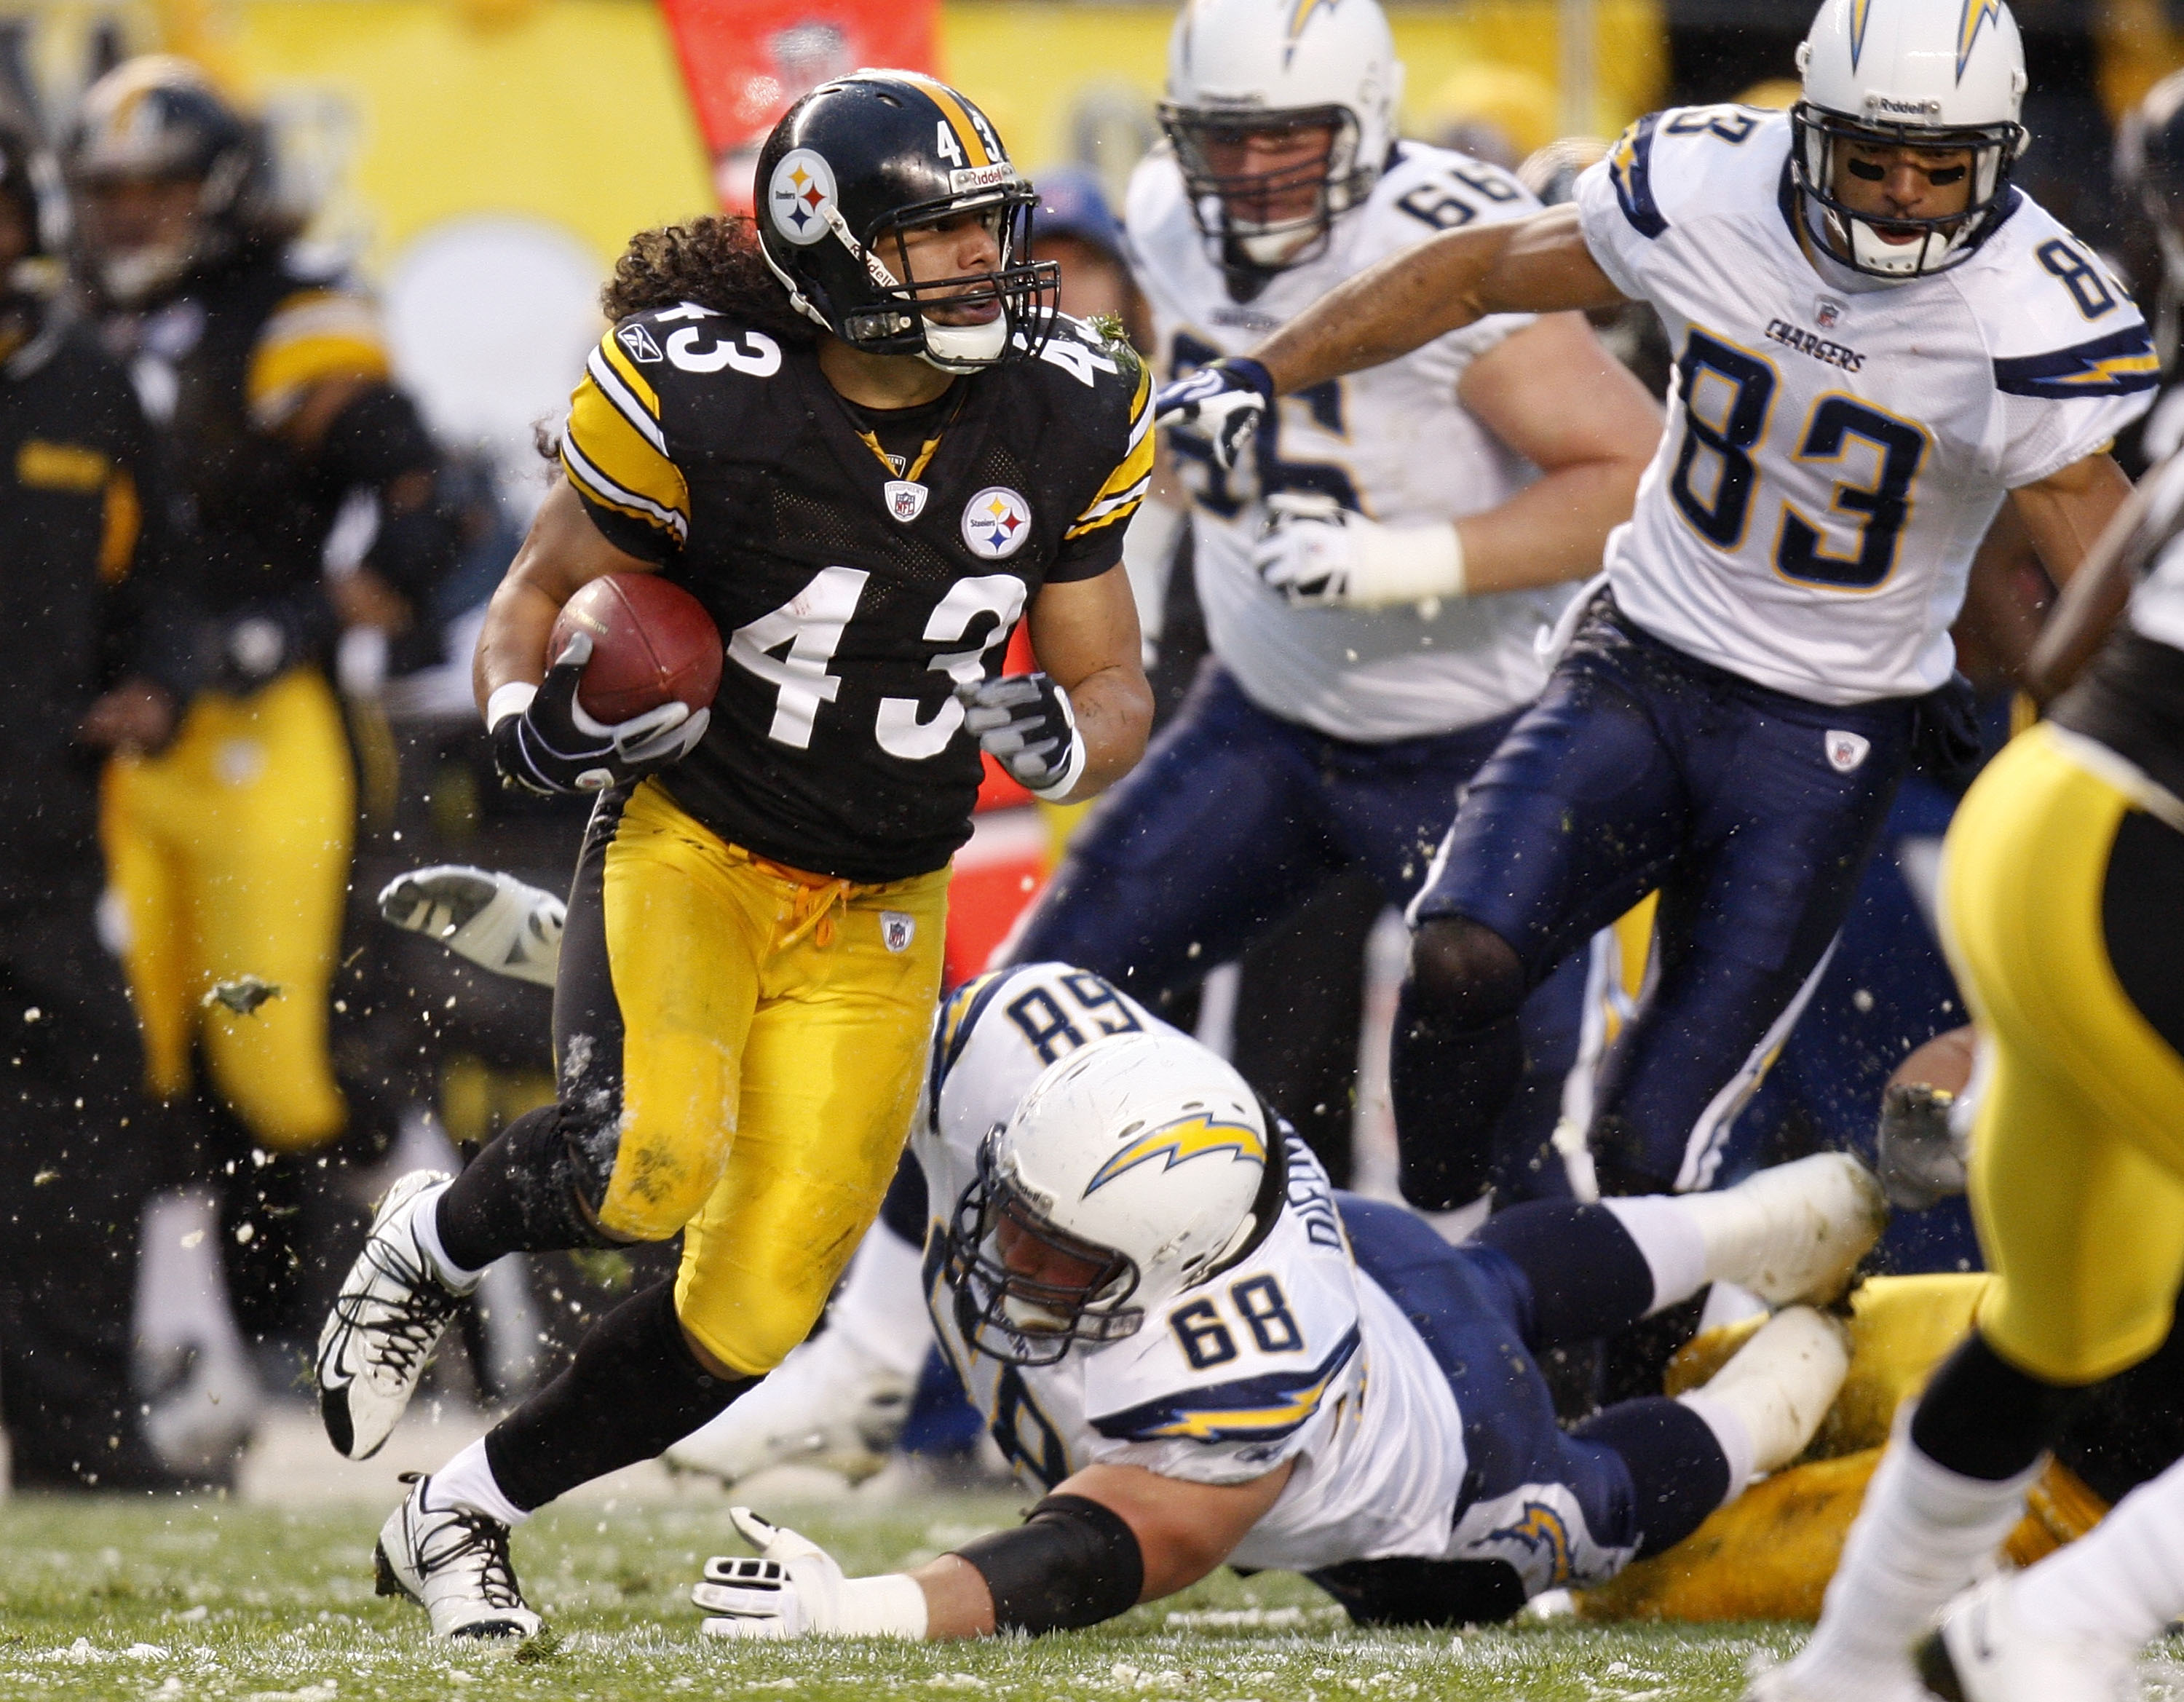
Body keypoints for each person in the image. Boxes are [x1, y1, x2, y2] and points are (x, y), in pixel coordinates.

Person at [313, 71, 1155, 1639]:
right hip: (701, 838)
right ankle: (430, 1236)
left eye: (989, 232)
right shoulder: (702, 393)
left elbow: (1114, 683)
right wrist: (528, 722)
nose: (984, 267)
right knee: (650, 1165)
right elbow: (527, 598)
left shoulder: (1068, 401)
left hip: (887, 891)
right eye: (937, 241)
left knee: (756, 1303)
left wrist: (1067, 739)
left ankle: (459, 1510)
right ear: (831, 252)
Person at [1156, 0, 2153, 1217]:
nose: (1900, 192)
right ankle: (1444, 1232)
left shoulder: (2033, 308)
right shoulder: (1709, 185)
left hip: (1824, 735)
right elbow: (1476, 271)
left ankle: (1630, 1390)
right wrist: (1262, 369)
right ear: (1806, 129)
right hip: (1643, 659)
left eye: (1940, 168)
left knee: (1649, 1149)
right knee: (1460, 955)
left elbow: (2111, 610)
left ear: (1997, 157)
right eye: (1869, 156)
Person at [682, 959, 1885, 1641]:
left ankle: (1793, 1369)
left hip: (1459, 1464)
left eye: (1055, 1251)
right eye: (1011, 1205)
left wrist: (868, 1609)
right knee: (1485, 1277)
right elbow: (841, 1047)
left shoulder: (1233, 1377)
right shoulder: (1032, 1058)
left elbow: (1084, 1556)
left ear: (1171, 1272)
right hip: (1382, 1262)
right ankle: (1761, 1222)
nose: (1001, 1248)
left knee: (1570, 1511)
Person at [1013, 0, 1660, 1214]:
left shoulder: (1447, 236)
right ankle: (897, 1367)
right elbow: (1174, 420)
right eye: (1225, 138)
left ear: (1363, 125)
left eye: (1289, 139)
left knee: (1519, 1130)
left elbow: (1637, 475)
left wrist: (1402, 563)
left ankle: (1512, 1372)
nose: (1253, 172)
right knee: (1042, 1004)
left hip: (1484, 735)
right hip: (1266, 711)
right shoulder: (1160, 211)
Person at [1754, 420, 2184, 1700]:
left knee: (2065, 1320)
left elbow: (2071, 632)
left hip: (2042, 816)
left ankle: (1851, 1667)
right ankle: (2060, 1624)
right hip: (2148, 865)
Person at [69, 56, 459, 1355]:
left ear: (222, 186)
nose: (129, 216)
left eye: (158, 187)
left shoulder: (291, 318)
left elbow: (431, 514)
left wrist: (280, 628)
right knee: (137, 1059)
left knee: (276, 1057)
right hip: (114, 739)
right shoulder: (67, 325)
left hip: (259, 728)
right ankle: (188, 1357)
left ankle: (456, 1269)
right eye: (107, 191)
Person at [0, 106, 207, 1491]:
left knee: (78, 1126)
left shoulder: (86, 383)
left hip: (44, 839)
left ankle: (80, 1438)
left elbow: (165, 585)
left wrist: (161, 686)